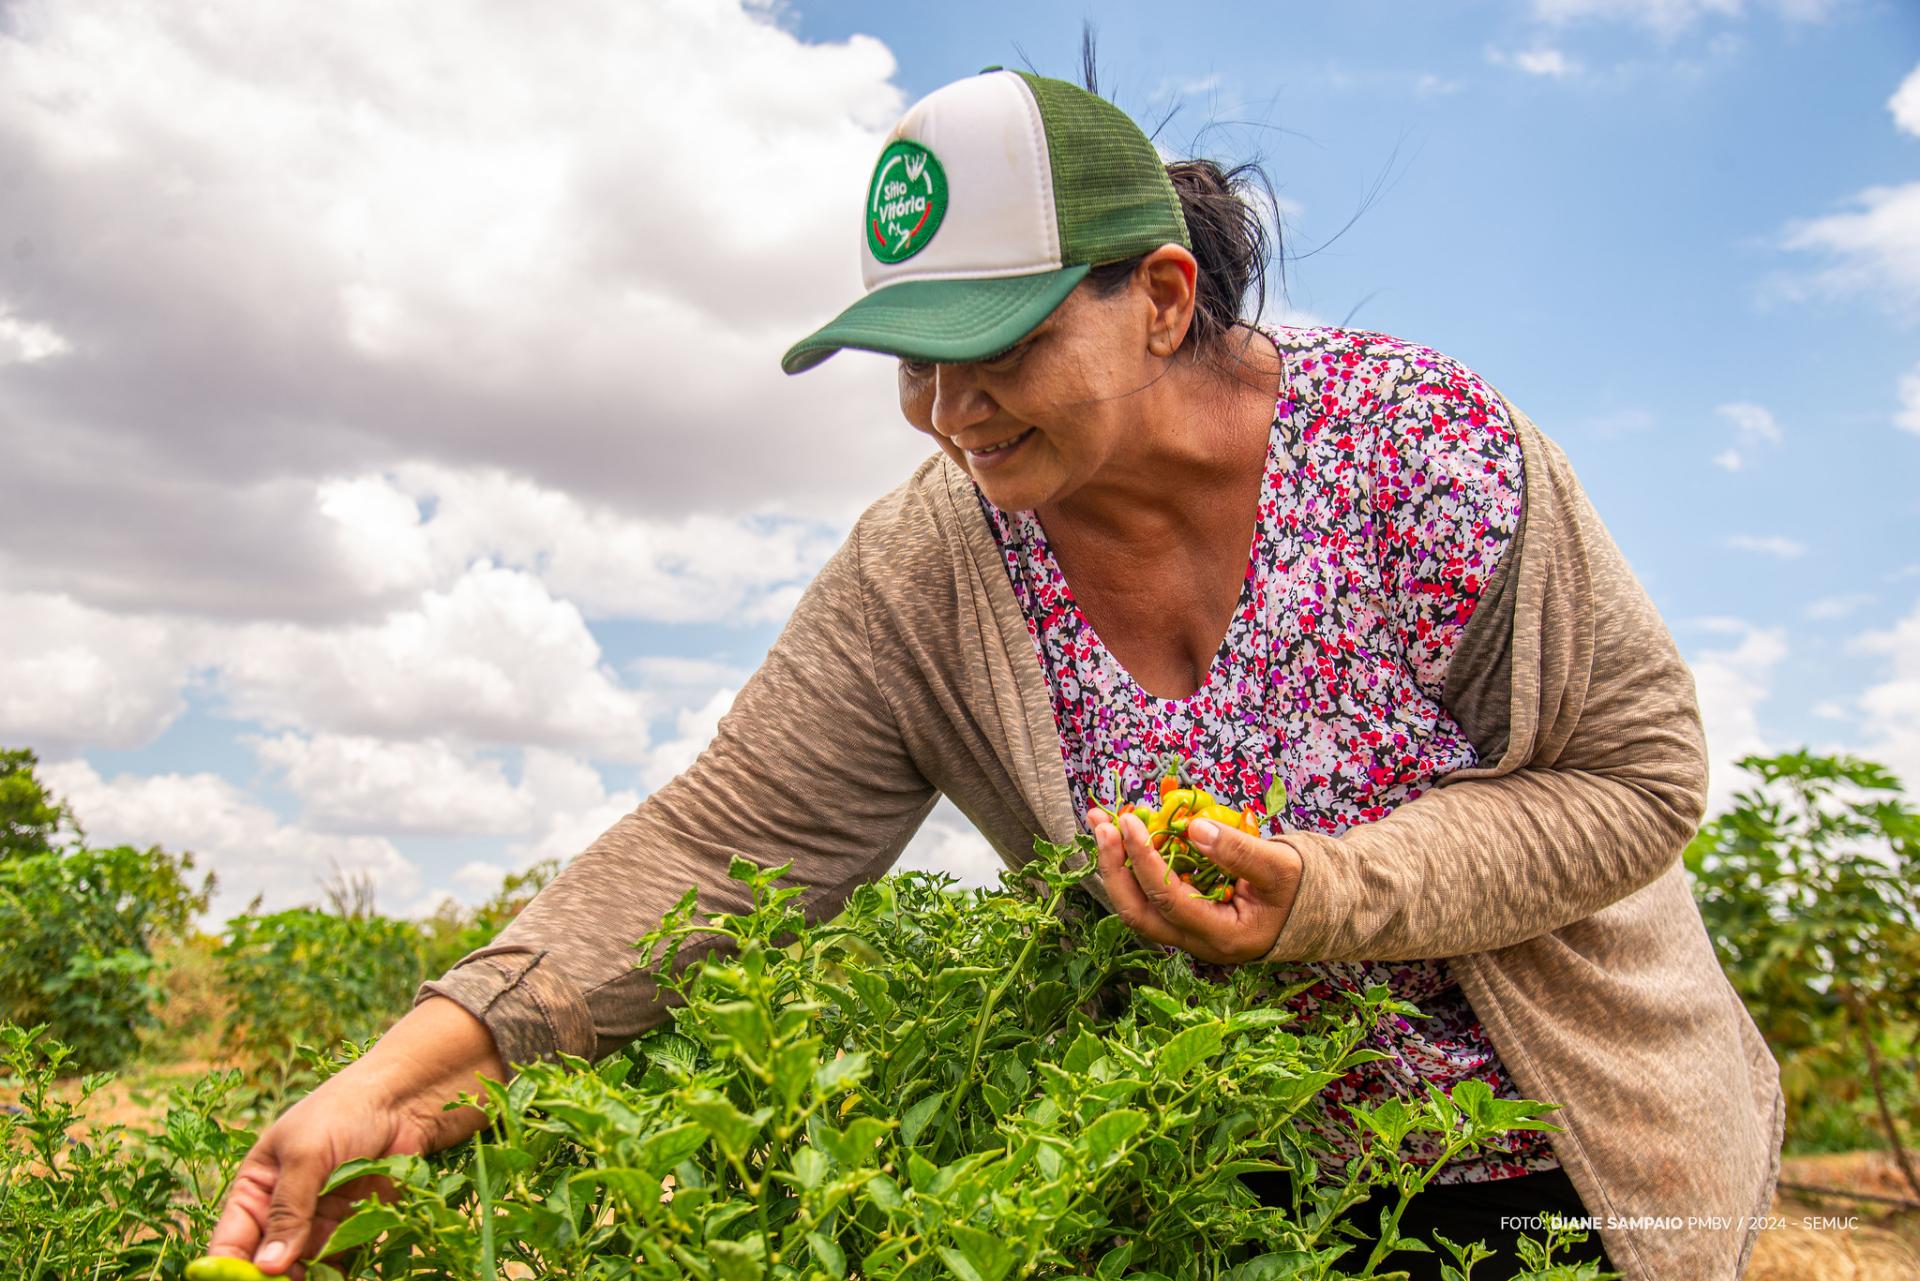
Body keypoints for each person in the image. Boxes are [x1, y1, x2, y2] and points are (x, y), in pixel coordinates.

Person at [207, 64, 1783, 1281]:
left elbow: (1637, 779)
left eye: (1004, 339)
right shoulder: (934, 567)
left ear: (1161, 297)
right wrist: (399, 1076)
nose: (953, 404)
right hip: (1229, 1159)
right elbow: (717, 847)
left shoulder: (1421, 455)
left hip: (1551, 1149)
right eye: (916, 353)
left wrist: (1328, 894)